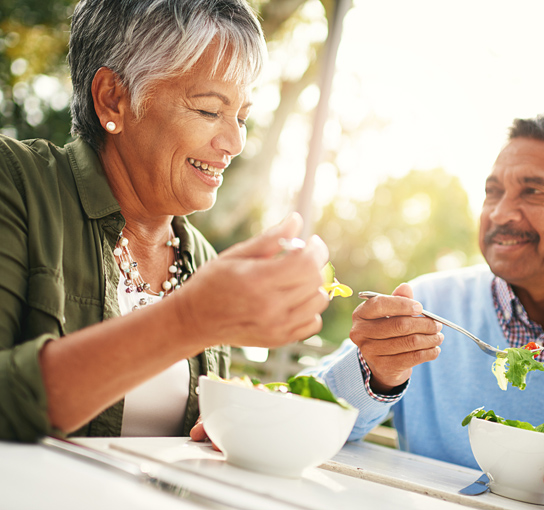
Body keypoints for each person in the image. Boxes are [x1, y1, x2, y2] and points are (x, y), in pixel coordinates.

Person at [306, 114, 544, 510]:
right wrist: (376, 375)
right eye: (493, 191)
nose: (501, 213)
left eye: (533, 192)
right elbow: (302, 409)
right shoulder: (428, 304)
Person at [0, 0, 330, 442]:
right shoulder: (16, 183)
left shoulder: (205, 261)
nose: (233, 141)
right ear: (112, 99)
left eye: (242, 117)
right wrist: (189, 319)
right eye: (209, 110)